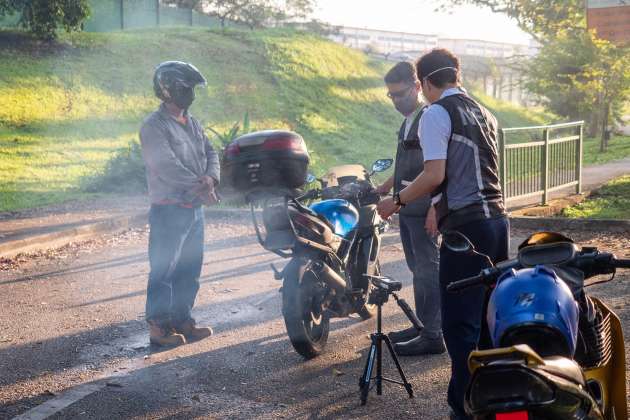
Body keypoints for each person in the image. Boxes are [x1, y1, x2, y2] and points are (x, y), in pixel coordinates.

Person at [376, 49, 509, 419]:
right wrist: (436, 203)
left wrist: (396, 201)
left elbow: (434, 173)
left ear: (427, 83)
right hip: (497, 221)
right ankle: (493, 401)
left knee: (459, 324)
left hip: (466, 229)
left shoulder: (436, 113)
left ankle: (463, 409)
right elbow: (475, 171)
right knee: (488, 317)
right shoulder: (484, 112)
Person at [139, 61, 220, 347]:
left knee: (190, 268)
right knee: (164, 269)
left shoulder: (192, 122)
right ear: (168, 90)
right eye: (187, 88)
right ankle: (159, 328)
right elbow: (165, 166)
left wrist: (211, 177)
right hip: (168, 209)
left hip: (194, 210)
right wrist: (201, 186)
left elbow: (211, 152)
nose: (192, 94)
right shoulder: (153, 126)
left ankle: (182, 319)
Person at [376, 61, 444, 356]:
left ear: (418, 87)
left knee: (428, 270)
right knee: (418, 269)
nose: (395, 101)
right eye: (390, 96)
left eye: (401, 94)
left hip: (423, 208)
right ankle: (423, 325)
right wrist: (383, 187)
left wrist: (436, 207)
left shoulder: (428, 117)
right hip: (407, 208)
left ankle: (433, 335)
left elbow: (438, 166)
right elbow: (406, 163)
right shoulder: (409, 119)